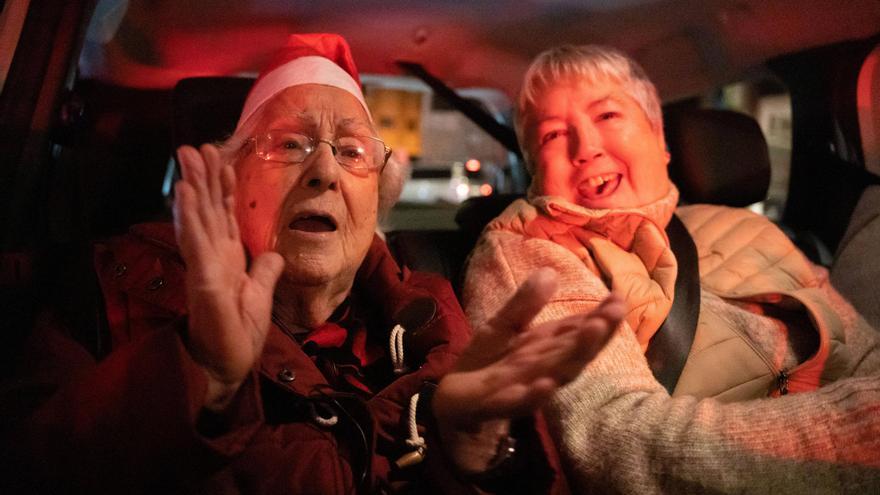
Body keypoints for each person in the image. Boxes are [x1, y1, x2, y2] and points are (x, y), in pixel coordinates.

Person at [0, 35, 627, 494]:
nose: (324, 171)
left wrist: (481, 460)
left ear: (375, 198)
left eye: (352, 151)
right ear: (229, 177)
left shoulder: (431, 316)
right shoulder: (110, 284)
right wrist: (197, 375)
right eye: (289, 144)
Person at [463, 44, 880, 494]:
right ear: (534, 173)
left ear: (660, 139)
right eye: (551, 135)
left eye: (607, 116)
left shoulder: (747, 226)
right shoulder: (531, 249)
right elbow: (616, 444)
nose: (585, 147)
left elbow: (863, 353)